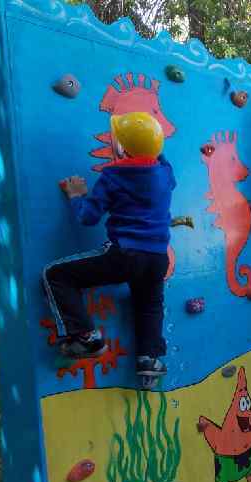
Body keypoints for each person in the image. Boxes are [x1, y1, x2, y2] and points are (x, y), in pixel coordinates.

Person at [42, 112, 174, 381]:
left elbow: (88, 217)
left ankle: (86, 337)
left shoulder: (113, 175)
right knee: (149, 304)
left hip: (126, 254)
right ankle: (149, 359)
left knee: (55, 275)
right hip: (158, 258)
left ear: (122, 147)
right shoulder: (165, 173)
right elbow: (158, 158)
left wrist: (77, 196)